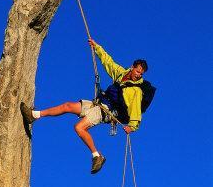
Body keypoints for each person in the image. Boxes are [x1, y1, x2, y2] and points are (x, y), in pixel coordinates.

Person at [21, 38, 151, 175]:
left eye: (141, 74)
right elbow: (108, 62)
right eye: (137, 71)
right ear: (132, 67)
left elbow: (136, 110)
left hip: (106, 112)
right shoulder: (121, 73)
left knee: (79, 127)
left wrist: (132, 126)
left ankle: (97, 155)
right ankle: (34, 115)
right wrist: (96, 48)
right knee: (68, 106)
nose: (138, 75)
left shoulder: (135, 90)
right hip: (98, 103)